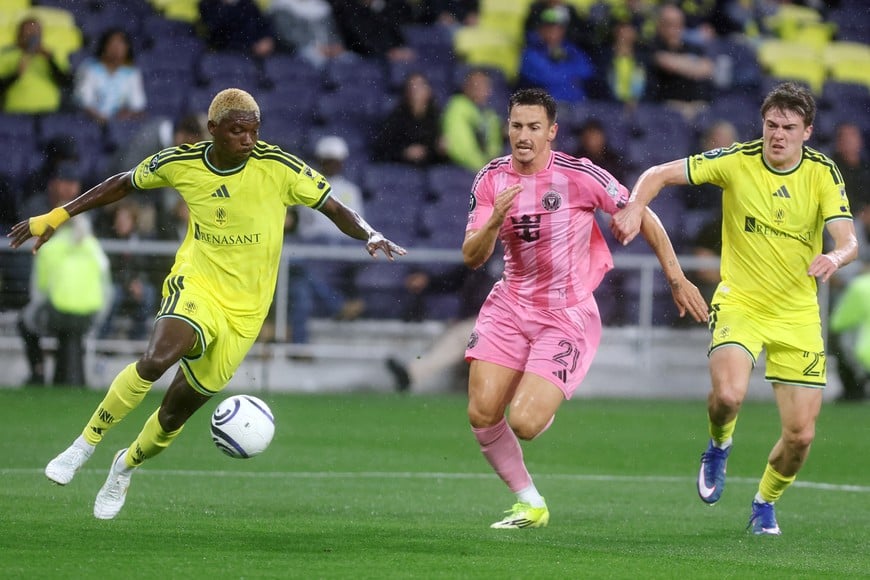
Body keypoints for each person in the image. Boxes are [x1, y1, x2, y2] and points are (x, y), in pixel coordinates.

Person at [8, 88, 406, 520]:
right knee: (156, 360)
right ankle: (82, 445)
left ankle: (124, 466)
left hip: (246, 314)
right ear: (213, 130)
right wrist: (59, 214)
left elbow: (333, 206)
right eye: (237, 131)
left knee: (173, 415)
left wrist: (369, 232)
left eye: (253, 131)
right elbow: (123, 182)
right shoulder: (181, 163)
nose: (248, 139)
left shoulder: (279, 167)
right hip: (197, 285)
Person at [610, 82, 859, 535]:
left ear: (807, 131)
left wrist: (834, 257)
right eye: (771, 125)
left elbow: (848, 239)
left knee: (801, 435)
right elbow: (658, 174)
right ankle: (719, 446)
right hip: (740, 302)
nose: (777, 134)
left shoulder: (823, 173)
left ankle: (765, 501)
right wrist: (633, 208)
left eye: (788, 127)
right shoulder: (736, 161)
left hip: (797, 313)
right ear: (761, 125)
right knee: (728, 396)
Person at [462, 88, 707, 529]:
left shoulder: (579, 175)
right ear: (507, 128)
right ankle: (530, 503)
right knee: (481, 412)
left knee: (526, 422)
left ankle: (539, 392)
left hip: (566, 313)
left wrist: (675, 276)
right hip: (510, 303)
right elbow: (472, 255)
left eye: (534, 127)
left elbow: (641, 212)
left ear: (551, 132)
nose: (523, 135)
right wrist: (495, 220)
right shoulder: (491, 179)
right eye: (517, 125)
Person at [287, 135, 366, 344]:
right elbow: (304, 227)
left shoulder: (351, 190)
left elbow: (356, 226)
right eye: (328, 159)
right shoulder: (306, 187)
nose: (332, 164)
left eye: (335, 160)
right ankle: (338, 306)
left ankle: (301, 344)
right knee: (300, 283)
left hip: (341, 250)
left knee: (300, 279)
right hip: (314, 249)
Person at [18, 215, 110, 386]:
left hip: (58, 312)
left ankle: (38, 373)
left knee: (24, 321)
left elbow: (40, 290)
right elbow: (106, 284)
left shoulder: (49, 247)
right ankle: (72, 376)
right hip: (90, 314)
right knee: (71, 334)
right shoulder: (93, 246)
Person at [387, 261, 499, 393]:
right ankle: (411, 373)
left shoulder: (498, 257)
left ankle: (411, 373)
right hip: (485, 320)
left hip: (499, 322)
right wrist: (428, 281)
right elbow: (452, 280)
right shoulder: (482, 258)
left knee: (458, 338)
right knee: (458, 338)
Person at [645, 3, 714, 123]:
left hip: (699, 107)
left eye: (677, 24)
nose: (673, 28)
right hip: (670, 107)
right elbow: (665, 62)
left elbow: (708, 69)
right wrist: (692, 65)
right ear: (659, 25)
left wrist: (679, 63)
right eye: (668, 24)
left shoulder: (693, 47)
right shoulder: (652, 46)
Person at [517, 7, 596, 104]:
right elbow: (548, 76)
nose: (554, 31)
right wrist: (569, 69)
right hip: (548, 106)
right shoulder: (530, 52)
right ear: (540, 29)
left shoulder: (571, 49)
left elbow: (587, 71)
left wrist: (561, 65)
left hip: (577, 105)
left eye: (558, 27)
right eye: (549, 26)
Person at [73, 28, 146, 125]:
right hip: (90, 122)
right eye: (112, 44)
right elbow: (83, 101)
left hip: (118, 125)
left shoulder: (131, 73)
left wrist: (128, 114)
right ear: (104, 46)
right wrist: (100, 119)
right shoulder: (90, 68)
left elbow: (137, 105)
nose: (116, 49)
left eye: (121, 44)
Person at [0, 17, 73, 114]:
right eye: (28, 31)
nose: (32, 35)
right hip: (16, 114)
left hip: (48, 114)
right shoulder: (6, 55)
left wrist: (50, 61)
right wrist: (16, 75)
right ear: (19, 34)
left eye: (36, 31)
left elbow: (66, 82)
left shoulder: (53, 54)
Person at [373, 71, 445, 166]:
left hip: (430, 169)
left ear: (429, 91)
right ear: (406, 92)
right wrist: (404, 153)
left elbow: (440, 152)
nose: (415, 90)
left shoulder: (437, 116)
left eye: (420, 86)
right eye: (412, 86)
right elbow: (380, 148)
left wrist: (439, 150)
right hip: (402, 168)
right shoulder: (397, 117)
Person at [441, 68, 504, 173]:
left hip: (484, 170)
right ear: (465, 86)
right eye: (475, 84)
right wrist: (484, 167)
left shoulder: (490, 114)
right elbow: (460, 147)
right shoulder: (457, 106)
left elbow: (494, 145)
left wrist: (492, 165)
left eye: (484, 85)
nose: (480, 88)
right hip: (462, 170)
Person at [268, 0, 349, 69]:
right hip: (300, 51)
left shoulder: (322, 6)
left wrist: (335, 45)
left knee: (350, 61)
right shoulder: (281, 7)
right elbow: (287, 35)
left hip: (329, 49)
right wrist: (317, 47)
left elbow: (333, 31)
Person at [829, 271, 870, 401]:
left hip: (865, 353)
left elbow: (838, 323)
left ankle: (853, 391)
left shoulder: (861, 285)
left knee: (841, 339)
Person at [198, 0, 276, 58]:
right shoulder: (208, 5)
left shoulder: (248, 4)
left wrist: (267, 38)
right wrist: (252, 46)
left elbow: (264, 24)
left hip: (255, 56)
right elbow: (218, 32)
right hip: (227, 56)